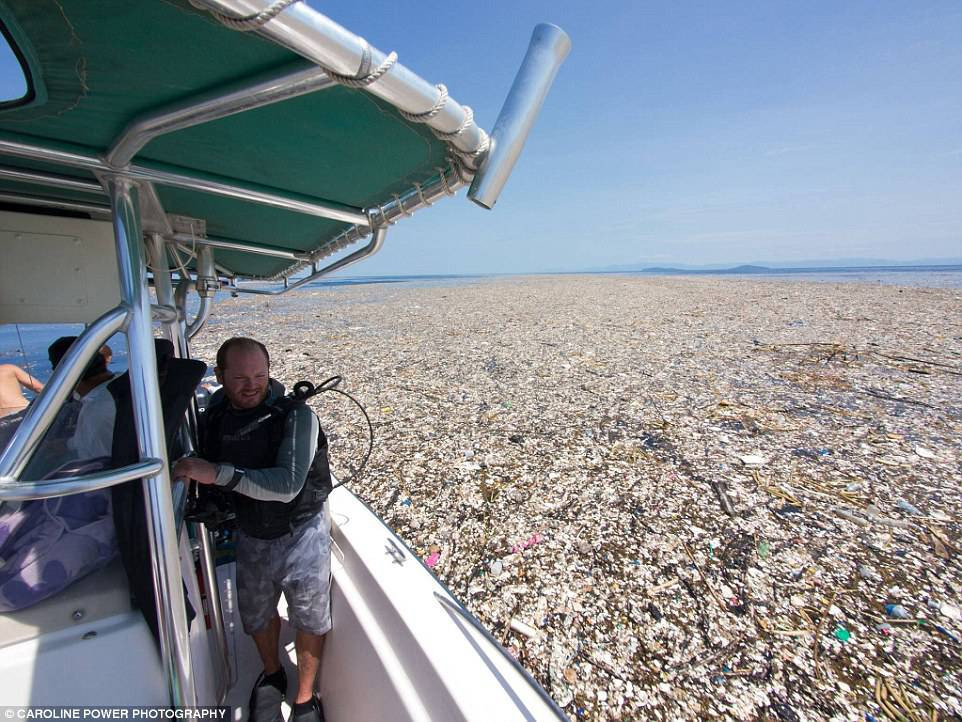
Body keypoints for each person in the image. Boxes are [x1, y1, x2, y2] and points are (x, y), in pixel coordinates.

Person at [173, 337, 332, 722]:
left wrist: (216, 474)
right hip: (250, 530)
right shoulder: (215, 414)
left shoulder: (295, 417)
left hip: (301, 530)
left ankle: (305, 698)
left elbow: (288, 484)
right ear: (220, 376)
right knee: (256, 613)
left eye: (260, 375)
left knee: (309, 615)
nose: (251, 385)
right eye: (240, 376)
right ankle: (273, 674)